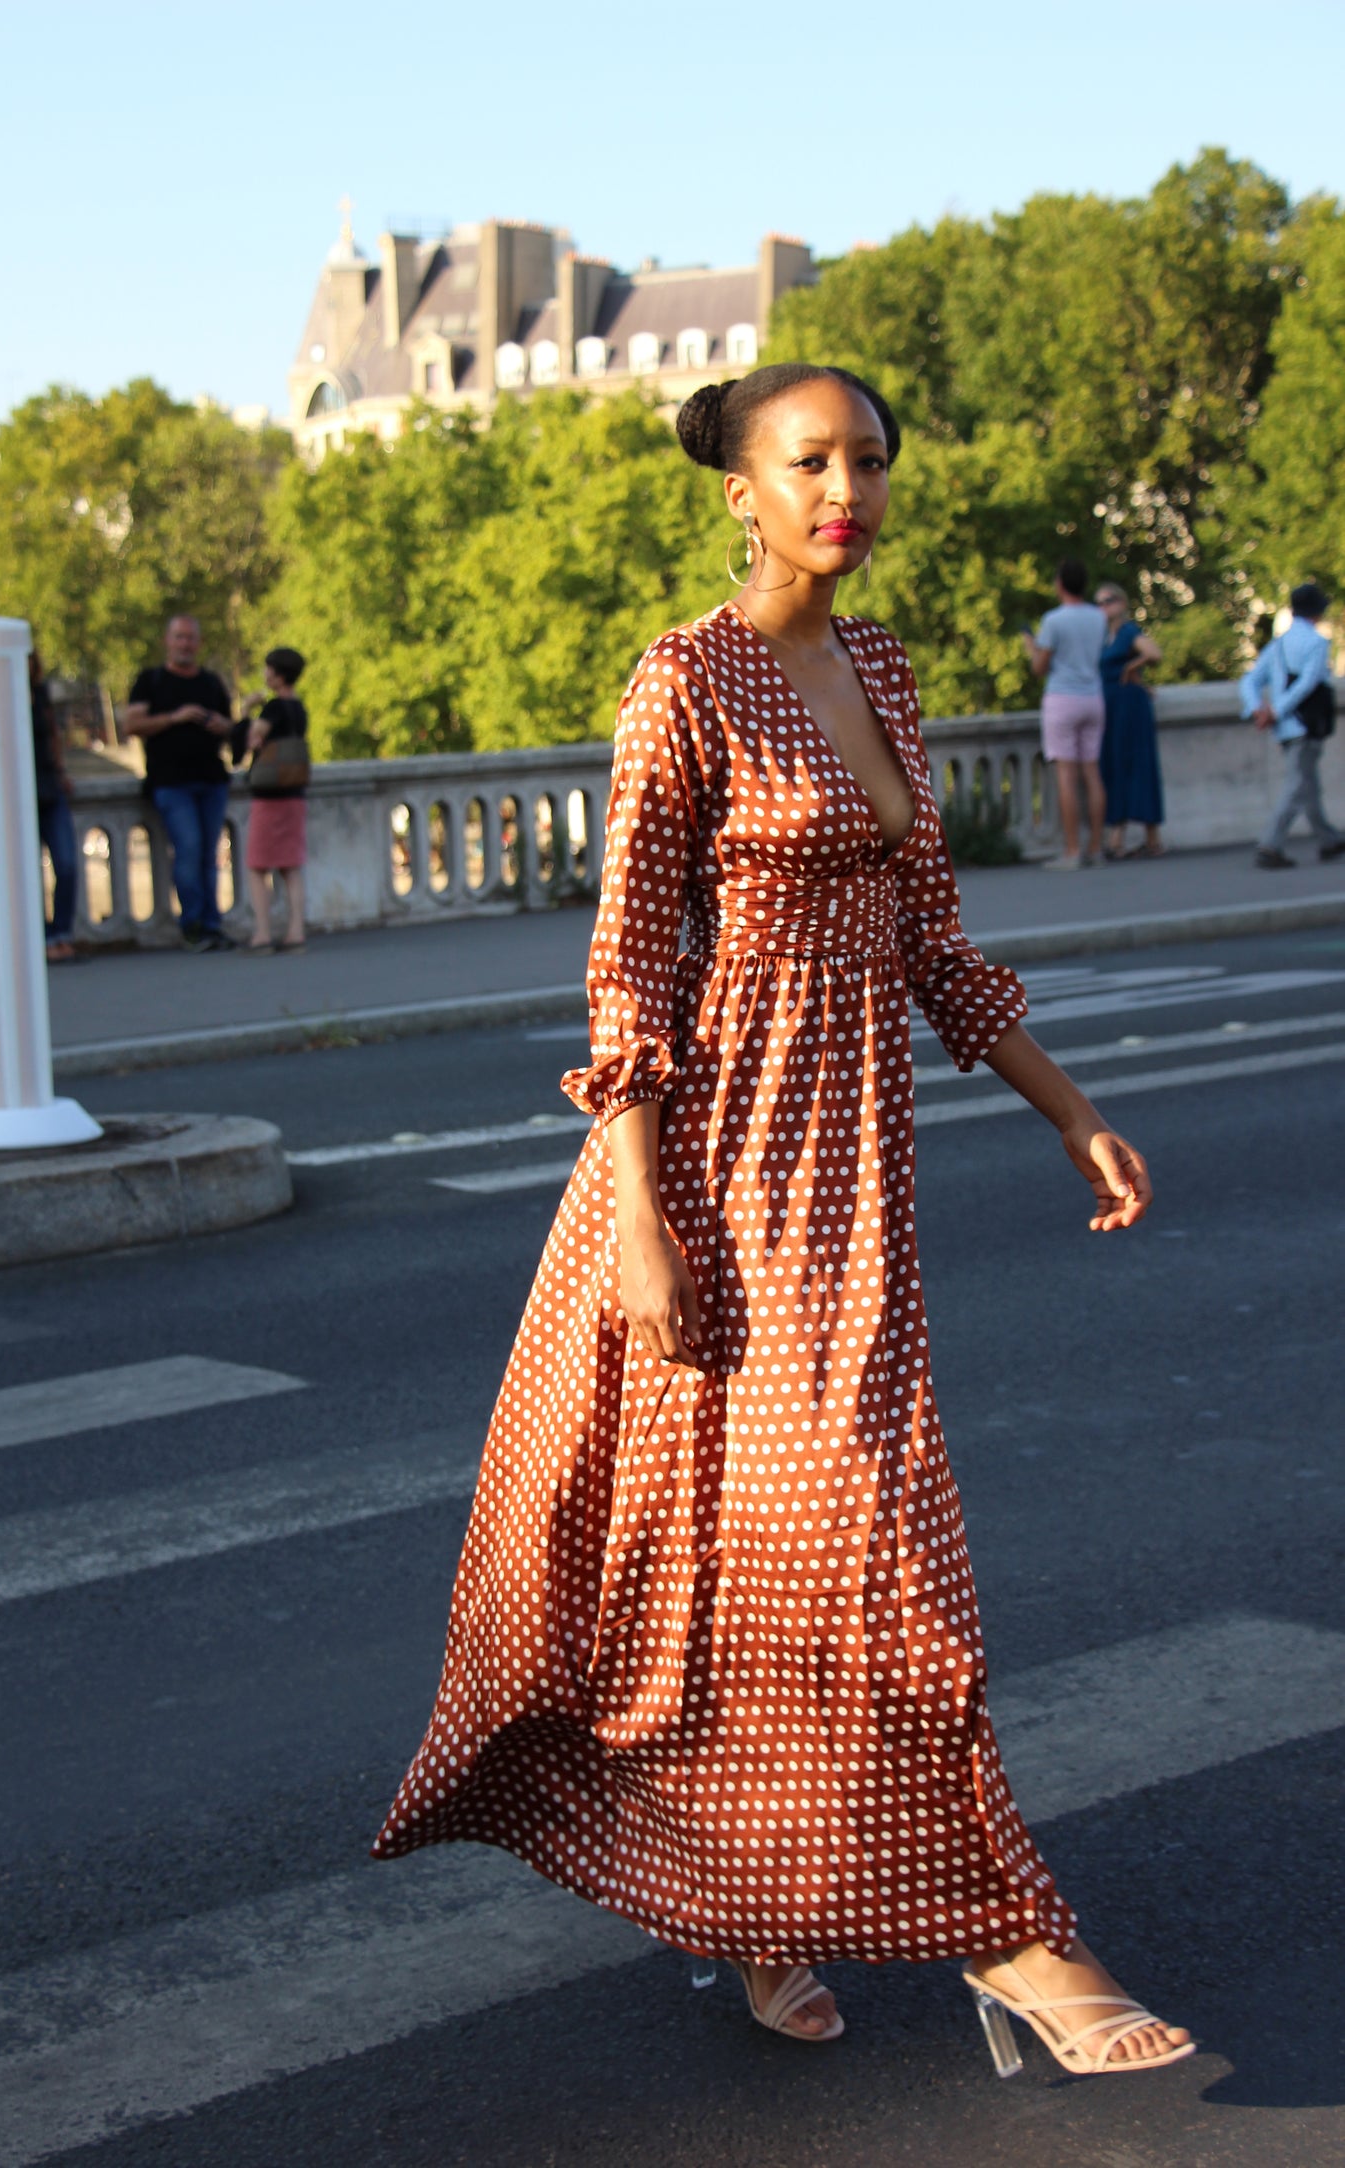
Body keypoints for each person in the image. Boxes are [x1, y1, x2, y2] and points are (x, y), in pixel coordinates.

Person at [375, 363, 1193, 2077]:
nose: (850, 488)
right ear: (740, 490)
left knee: (775, 1552)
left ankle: (753, 1906)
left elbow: (933, 949)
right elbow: (629, 975)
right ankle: (1014, 1937)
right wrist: (639, 1225)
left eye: (873, 459)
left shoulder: (883, 670)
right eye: (810, 461)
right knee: (868, 1548)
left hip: (857, 1174)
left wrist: (1073, 1109)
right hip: (719, 1165)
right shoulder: (683, 681)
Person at [121, 615, 237, 950]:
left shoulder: (211, 683)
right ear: (167, 641)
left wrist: (221, 725)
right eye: (179, 638)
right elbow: (131, 723)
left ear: (198, 643)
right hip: (171, 781)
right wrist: (176, 717)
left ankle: (212, 925)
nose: (185, 644)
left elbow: (232, 727)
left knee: (208, 855)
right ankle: (193, 925)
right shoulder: (151, 681)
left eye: (190, 638)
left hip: (211, 778)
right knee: (188, 849)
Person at [1240, 582, 1344, 869]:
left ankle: (1329, 839)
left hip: (1284, 727)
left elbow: (1249, 680)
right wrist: (1275, 710)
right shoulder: (1317, 643)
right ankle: (1270, 845)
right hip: (1305, 723)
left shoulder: (1277, 645)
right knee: (1298, 786)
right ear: (1317, 612)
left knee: (1308, 784)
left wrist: (1257, 708)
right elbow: (1308, 683)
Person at [1023, 562, 1108, 869]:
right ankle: (1096, 847)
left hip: (1063, 698)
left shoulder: (1054, 620)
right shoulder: (1098, 617)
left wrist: (1031, 648)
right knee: (1092, 773)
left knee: (1067, 777)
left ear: (1060, 584)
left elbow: (1040, 668)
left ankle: (1072, 851)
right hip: (1093, 697)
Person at [240, 647, 309, 953]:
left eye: (269, 670)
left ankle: (263, 933)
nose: (265, 675)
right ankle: (296, 930)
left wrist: (246, 711)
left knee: (258, 865)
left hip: (269, 795)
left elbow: (251, 740)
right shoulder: (299, 709)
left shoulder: (274, 709)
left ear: (278, 674)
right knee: (290, 865)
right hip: (294, 793)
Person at [1095, 583, 1165, 859]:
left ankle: (1150, 837)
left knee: (1138, 764)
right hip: (1110, 707)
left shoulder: (1128, 632)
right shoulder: (1103, 638)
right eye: (1099, 602)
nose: (1104, 607)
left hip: (1130, 706)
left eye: (1109, 601)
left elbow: (1154, 654)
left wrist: (1130, 668)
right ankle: (1119, 836)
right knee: (1114, 766)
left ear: (1122, 604)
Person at [30, 650, 79, 961]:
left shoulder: (40, 693)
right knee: (26, 872)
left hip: (49, 785)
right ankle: (40, 936)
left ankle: (61, 932)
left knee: (67, 863)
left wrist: (61, 770)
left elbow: (53, 736)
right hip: (16, 792)